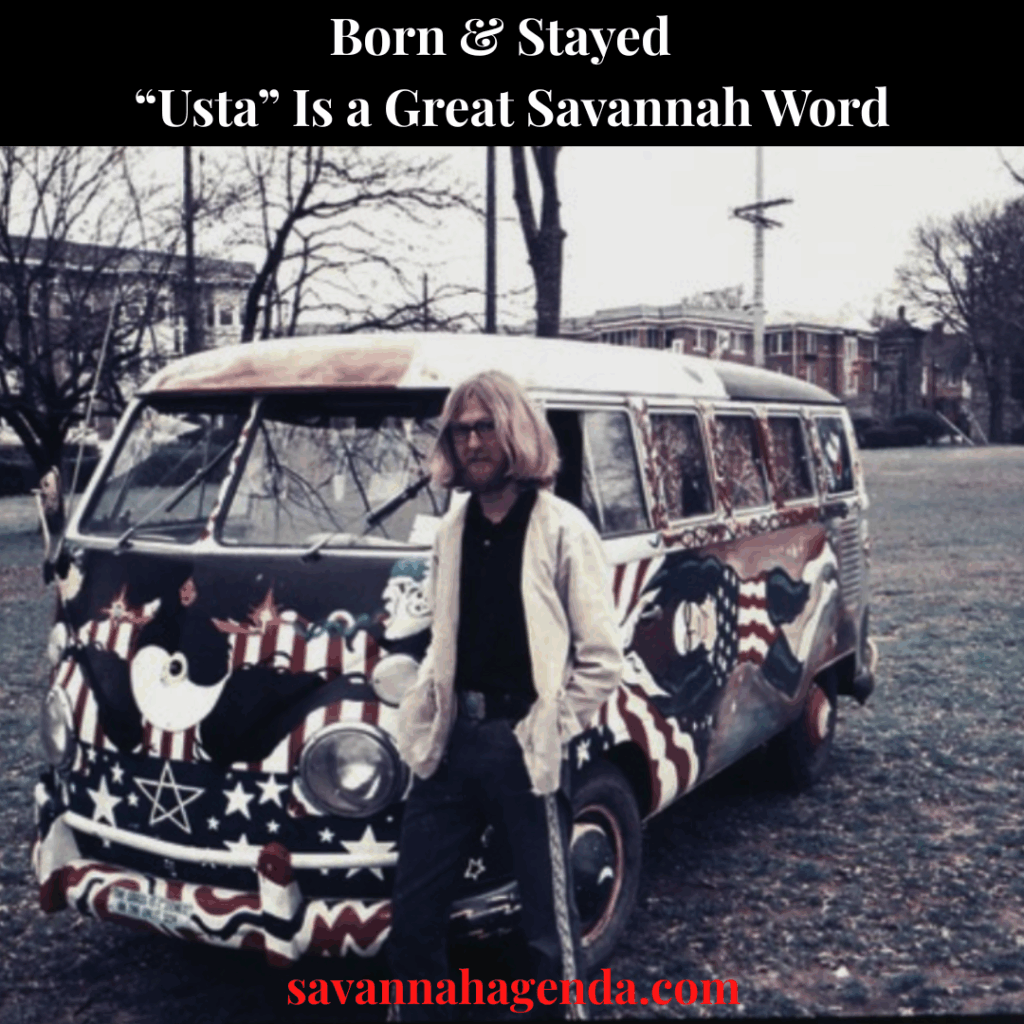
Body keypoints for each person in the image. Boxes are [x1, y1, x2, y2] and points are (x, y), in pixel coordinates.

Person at [391, 370, 623, 1020]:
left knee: (545, 929)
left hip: (526, 745)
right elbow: (444, 640)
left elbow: (603, 659)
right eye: (460, 430)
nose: (471, 441)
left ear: (515, 429)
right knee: (412, 916)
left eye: (485, 425)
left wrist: (551, 726)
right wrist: (425, 716)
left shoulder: (562, 529)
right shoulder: (451, 531)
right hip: (451, 745)